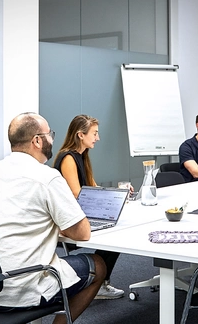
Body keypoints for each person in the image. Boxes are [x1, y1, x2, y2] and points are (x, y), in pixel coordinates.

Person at [0, 112, 106, 322]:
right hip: (22, 289)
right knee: (99, 265)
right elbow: (82, 233)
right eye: (50, 134)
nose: (51, 140)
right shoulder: (46, 176)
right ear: (37, 140)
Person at [53, 114, 125, 300]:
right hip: (69, 221)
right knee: (114, 237)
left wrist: (116, 192)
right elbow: (79, 195)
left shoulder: (82, 157)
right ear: (80, 135)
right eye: (94, 133)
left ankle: (102, 282)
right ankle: (99, 283)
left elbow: (94, 189)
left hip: (81, 214)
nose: (97, 138)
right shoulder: (68, 157)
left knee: (116, 233)